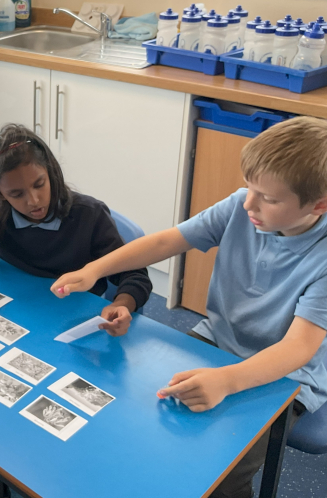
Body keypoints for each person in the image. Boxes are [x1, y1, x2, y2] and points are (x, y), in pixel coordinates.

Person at [52, 116, 327, 498]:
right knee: (153, 427)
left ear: (319, 205)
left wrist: (226, 381)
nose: (249, 202)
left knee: (222, 475)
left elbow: (297, 348)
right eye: (250, 187)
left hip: (288, 375)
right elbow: (166, 241)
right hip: (217, 339)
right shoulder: (242, 206)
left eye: (269, 198)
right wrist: (94, 269)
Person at [0, 123, 152, 498]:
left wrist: (122, 304)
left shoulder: (88, 216)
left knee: (66, 423)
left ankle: (49, 478)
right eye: (16, 193)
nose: (33, 200)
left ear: (52, 173)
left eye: (39, 184)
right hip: (25, 325)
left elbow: (135, 274)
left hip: (79, 336)